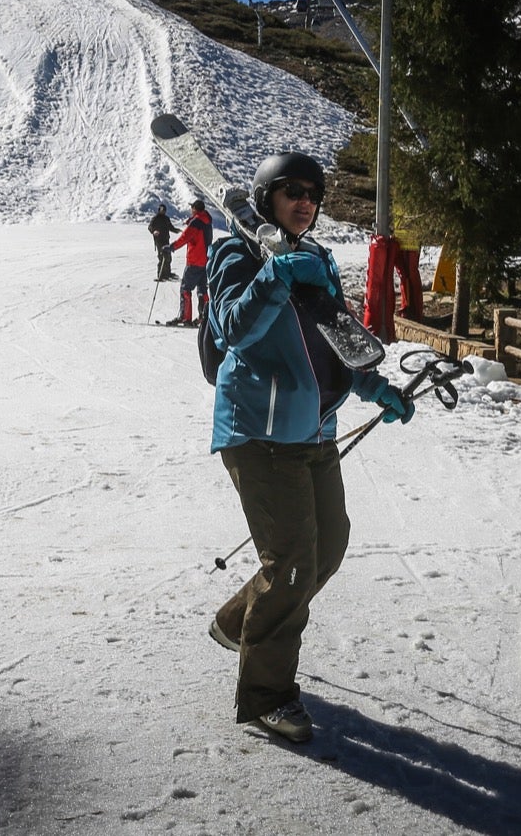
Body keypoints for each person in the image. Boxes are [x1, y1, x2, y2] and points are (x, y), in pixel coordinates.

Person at [204, 151, 415, 744]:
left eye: (312, 194)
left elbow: (336, 341)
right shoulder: (236, 253)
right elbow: (232, 329)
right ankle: (268, 696)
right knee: (293, 563)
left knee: (326, 548)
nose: (304, 201)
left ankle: (235, 622)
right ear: (267, 195)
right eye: (291, 190)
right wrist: (276, 274)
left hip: (315, 430)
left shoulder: (317, 258)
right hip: (261, 434)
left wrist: (376, 386)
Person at [165, 198, 212, 326]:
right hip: (206, 260)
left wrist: (172, 247)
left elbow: (185, 237)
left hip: (195, 260)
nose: (191, 210)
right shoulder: (206, 220)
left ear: (195, 209)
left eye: (192, 208)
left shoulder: (196, 222)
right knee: (202, 290)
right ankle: (205, 316)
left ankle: (185, 317)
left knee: (185, 289)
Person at [148, 203, 176, 281]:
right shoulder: (155, 218)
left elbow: (171, 227)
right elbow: (150, 227)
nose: (163, 211)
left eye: (164, 210)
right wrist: (154, 231)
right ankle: (160, 275)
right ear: (159, 210)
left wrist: (178, 231)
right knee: (161, 257)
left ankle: (168, 273)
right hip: (159, 240)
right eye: (161, 210)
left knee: (168, 256)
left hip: (166, 239)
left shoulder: (166, 218)